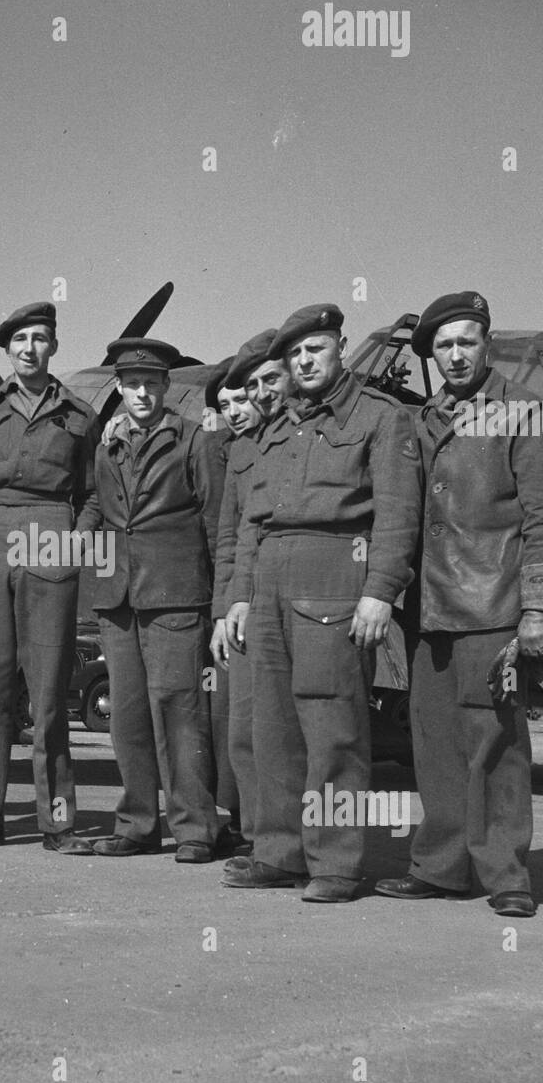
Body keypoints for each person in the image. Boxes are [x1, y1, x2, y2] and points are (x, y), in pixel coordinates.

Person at [376, 291, 543, 918]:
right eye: (444, 346)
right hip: (428, 609)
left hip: (493, 605)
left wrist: (538, 611)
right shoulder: (423, 417)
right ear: (432, 356)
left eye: (467, 341)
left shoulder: (528, 411)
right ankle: (440, 866)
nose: (456, 355)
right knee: (433, 745)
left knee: (496, 745)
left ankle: (506, 872)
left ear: (487, 343)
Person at [223, 304, 421, 901]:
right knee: (273, 727)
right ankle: (279, 853)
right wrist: (238, 597)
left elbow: (397, 513)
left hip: (336, 572)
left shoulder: (380, 417)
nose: (304, 362)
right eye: (295, 355)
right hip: (268, 581)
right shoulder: (277, 426)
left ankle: (334, 862)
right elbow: (251, 523)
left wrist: (380, 592)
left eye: (315, 349)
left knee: (332, 726)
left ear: (338, 346)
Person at [0, 300, 98, 853]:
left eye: (39, 338)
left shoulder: (79, 415)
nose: (29, 349)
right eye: (20, 341)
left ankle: (58, 823)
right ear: (6, 351)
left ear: (53, 346)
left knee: (49, 692)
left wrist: (77, 540)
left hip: (50, 534)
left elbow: (92, 493)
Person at [89, 339, 222, 862]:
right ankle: (137, 824)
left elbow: (214, 522)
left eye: (151, 384)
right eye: (132, 385)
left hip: (176, 596)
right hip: (118, 598)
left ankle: (194, 830)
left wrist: (218, 598)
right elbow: (100, 514)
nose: (141, 393)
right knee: (126, 715)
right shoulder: (107, 446)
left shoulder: (195, 442)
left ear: (167, 387)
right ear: (119, 389)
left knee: (180, 712)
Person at [207, 333, 289, 858]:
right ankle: (256, 833)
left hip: (291, 597)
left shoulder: (293, 436)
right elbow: (229, 538)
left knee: (280, 730)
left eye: (246, 396)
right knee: (242, 729)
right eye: (228, 404)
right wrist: (221, 612)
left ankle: (280, 840)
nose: (240, 409)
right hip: (243, 604)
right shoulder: (236, 452)